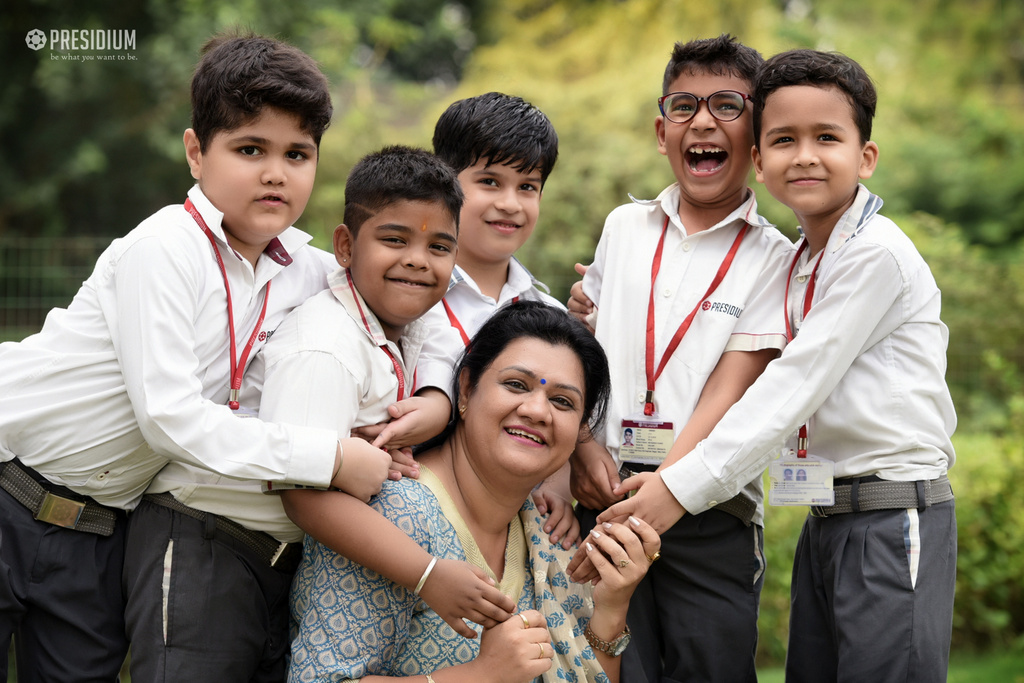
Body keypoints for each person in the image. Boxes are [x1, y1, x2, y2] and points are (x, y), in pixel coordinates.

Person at [0, 33, 363, 679]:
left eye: (297, 153)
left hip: (99, 535)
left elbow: (408, 282)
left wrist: (436, 396)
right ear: (197, 151)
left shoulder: (309, 272)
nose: (275, 172)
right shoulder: (165, 245)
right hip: (7, 489)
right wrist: (327, 458)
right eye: (250, 149)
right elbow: (166, 415)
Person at [601, 49, 957, 683]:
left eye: (828, 138)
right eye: (785, 140)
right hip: (828, 517)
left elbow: (784, 393)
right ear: (761, 160)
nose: (806, 156)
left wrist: (673, 490)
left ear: (866, 157)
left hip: (890, 515)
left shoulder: (873, 256)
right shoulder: (803, 261)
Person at [566, 35, 795, 683]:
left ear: (757, 135)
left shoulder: (778, 259)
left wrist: (670, 483)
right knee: (603, 666)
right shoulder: (623, 227)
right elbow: (582, 350)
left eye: (728, 105)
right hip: (603, 495)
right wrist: (582, 442)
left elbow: (744, 392)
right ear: (660, 130)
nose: (703, 121)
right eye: (685, 104)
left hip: (710, 511)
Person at [287, 301, 661, 683]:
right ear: (465, 390)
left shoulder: (549, 538)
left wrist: (612, 607)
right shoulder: (395, 515)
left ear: (580, 430)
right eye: (516, 384)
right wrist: (482, 675)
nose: (537, 410)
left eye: (562, 401)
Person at [414, 92, 581, 549]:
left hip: (508, 544)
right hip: (407, 526)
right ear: (443, 181)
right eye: (490, 181)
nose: (510, 203)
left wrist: (560, 481)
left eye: (528, 187)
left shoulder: (551, 318)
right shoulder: (406, 297)